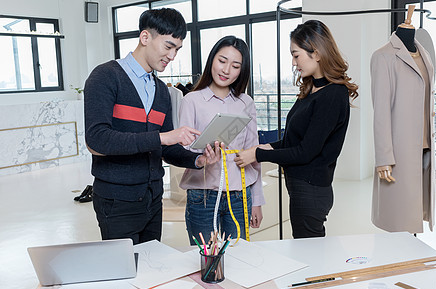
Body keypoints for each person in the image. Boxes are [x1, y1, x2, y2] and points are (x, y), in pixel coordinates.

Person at [84, 8, 220, 245]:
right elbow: (97, 139)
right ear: (145, 37)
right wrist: (162, 138)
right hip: (117, 200)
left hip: (152, 199)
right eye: (168, 46)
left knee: (150, 272)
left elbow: (164, 148)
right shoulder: (105, 76)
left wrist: (198, 161)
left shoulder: (161, 92)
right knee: (126, 274)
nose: (172, 56)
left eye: (177, 49)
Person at [235, 20, 358, 239]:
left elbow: (306, 151)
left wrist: (258, 154)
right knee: (309, 252)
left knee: (311, 256)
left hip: (310, 190)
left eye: (296, 54)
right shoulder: (312, 90)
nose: (293, 62)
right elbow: (294, 139)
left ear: (317, 53)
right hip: (302, 187)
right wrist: (268, 145)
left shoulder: (331, 95)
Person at [178, 36, 265, 245]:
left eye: (235, 66)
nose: (226, 70)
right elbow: (183, 151)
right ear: (212, 61)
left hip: (239, 196)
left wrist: (257, 201)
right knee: (207, 261)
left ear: (241, 71)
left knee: (239, 259)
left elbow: (254, 154)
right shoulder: (192, 100)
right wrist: (203, 156)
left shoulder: (246, 103)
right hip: (202, 195)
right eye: (222, 61)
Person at [371, 5, 435, 233]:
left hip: (425, 148)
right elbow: (381, 111)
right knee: (399, 217)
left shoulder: (424, 54)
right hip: (400, 150)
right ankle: (396, 258)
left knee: (415, 210)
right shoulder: (383, 56)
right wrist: (383, 158)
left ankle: (412, 257)